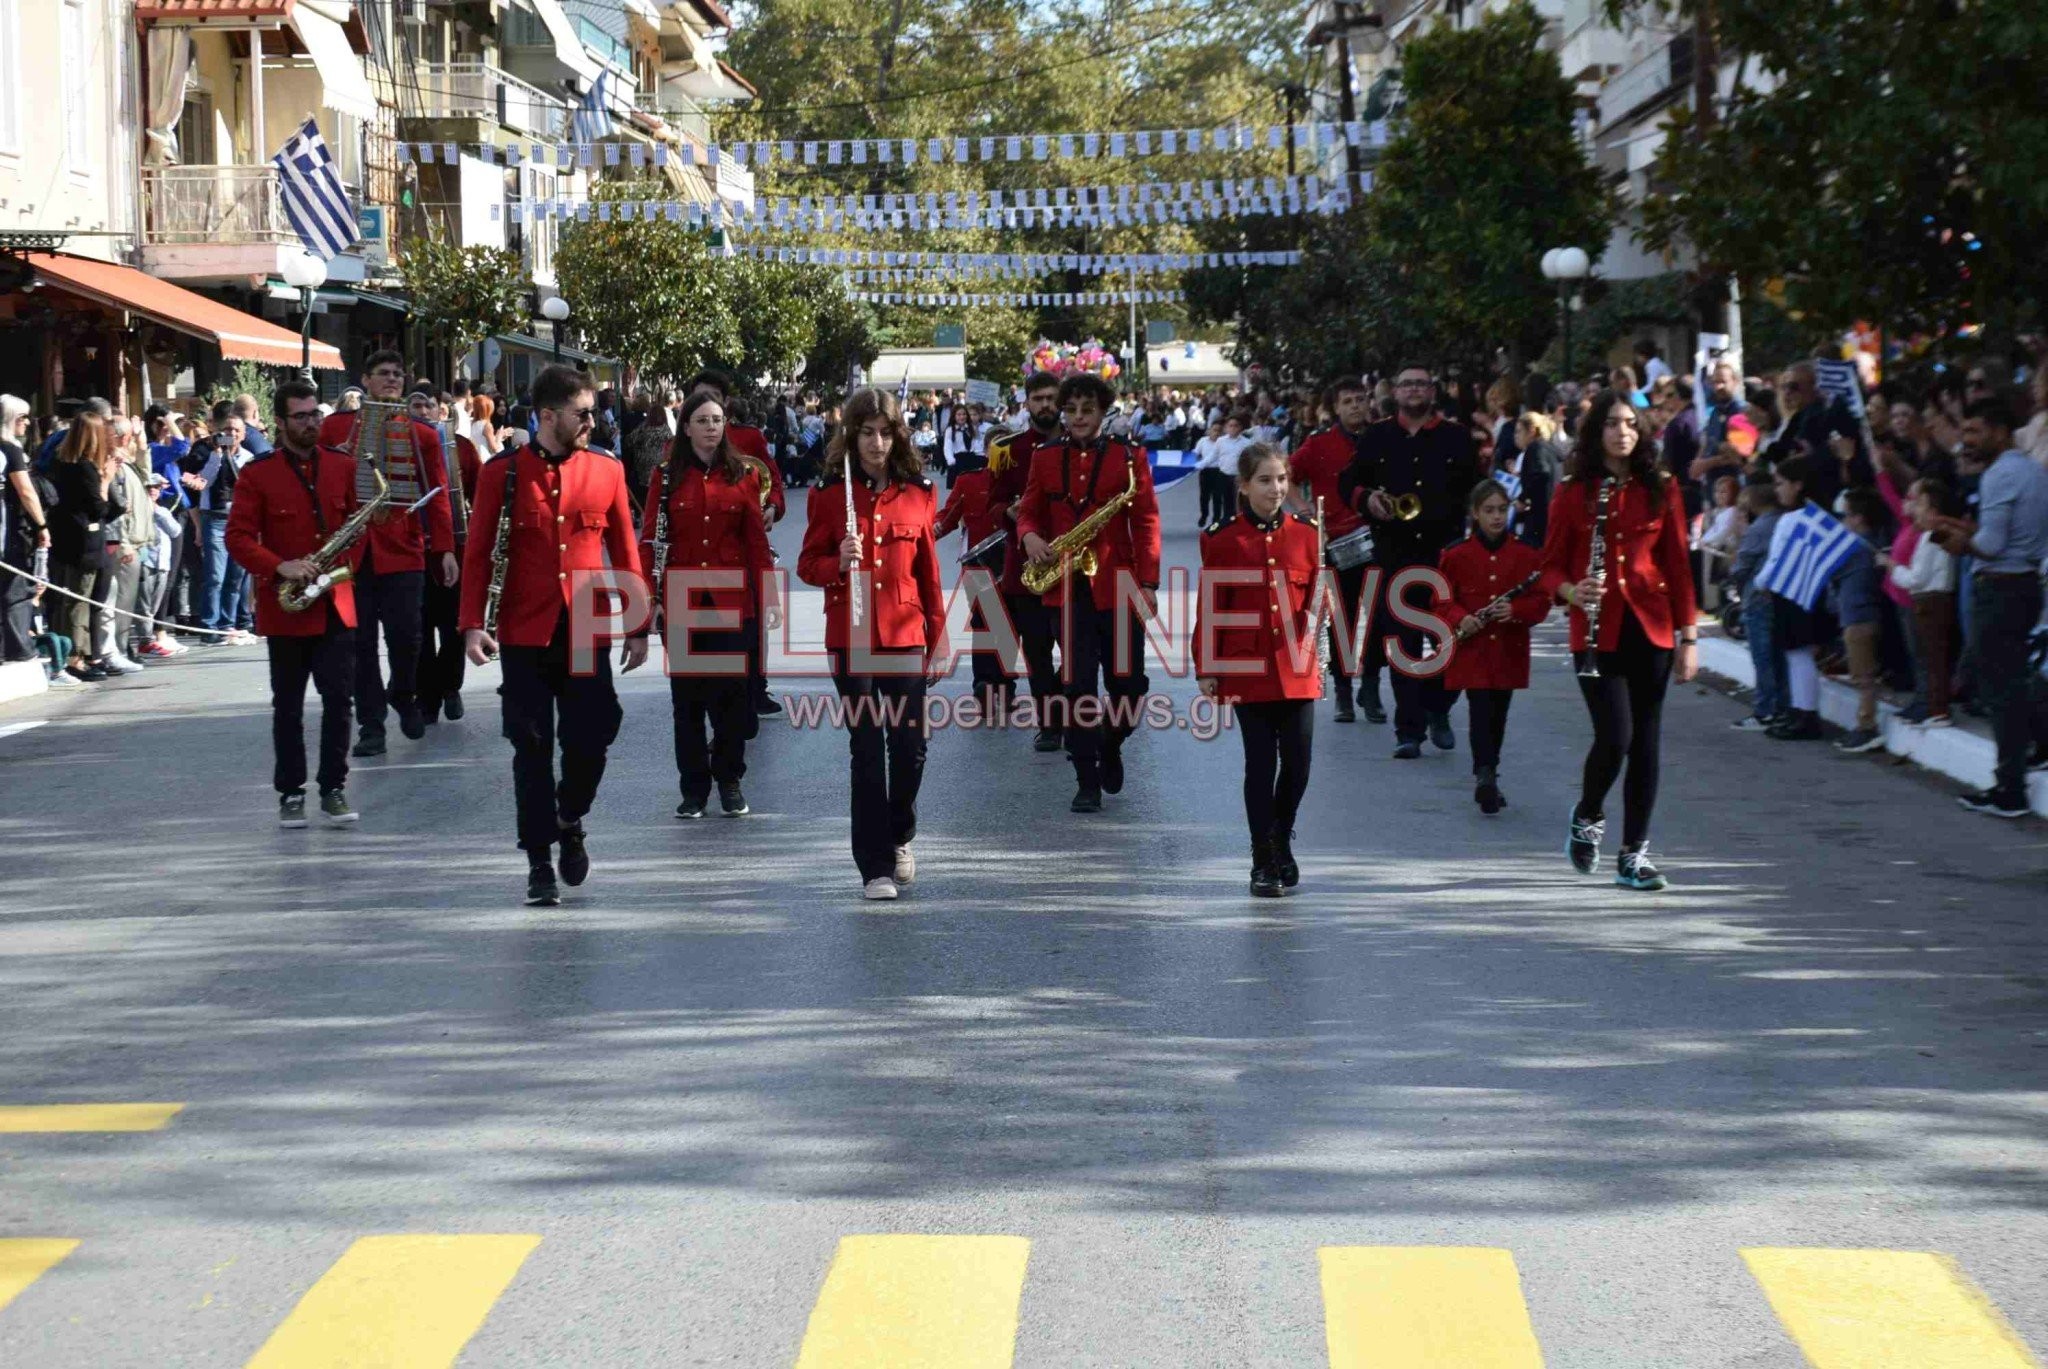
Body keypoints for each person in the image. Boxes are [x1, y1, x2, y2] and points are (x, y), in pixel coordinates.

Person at [460, 364, 648, 907]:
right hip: (524, 628)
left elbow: (625, 550)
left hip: (588, 623)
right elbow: (477, 554)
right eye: (582, 414)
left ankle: (569, 816)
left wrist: (637, 625)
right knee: (531, 745)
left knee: (596, 731)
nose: (593, 421)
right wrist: (473, 623)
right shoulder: (503, 473)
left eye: (593, 412)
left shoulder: (606, 471)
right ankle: (539, 859)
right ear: (547, 416)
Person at [1541, 389, 1698, 891]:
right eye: (1612, 423)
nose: (1622, 432)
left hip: (1651, 626)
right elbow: (1549, 566)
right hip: (1595, 630)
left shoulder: (1663, 486)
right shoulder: (1572, 490)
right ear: (1596, 432)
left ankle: (1634, 854)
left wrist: (1689, 635)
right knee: (1616, 737)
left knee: (1646, 743)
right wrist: (1571, 590)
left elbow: (1677, 562)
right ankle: (1587, 814)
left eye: (1630, 423)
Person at [796, 387, 946, 901]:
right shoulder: (826, 493)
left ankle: (900, 832)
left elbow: (928, 571)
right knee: (866, 750)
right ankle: (874, 867)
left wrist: (940, 638)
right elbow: (806, 564)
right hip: (851, 632)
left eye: (885, 433)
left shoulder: (919, 491)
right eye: (867, 433)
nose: (877, 443)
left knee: (911, 748)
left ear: (897, 435)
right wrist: (836, 561)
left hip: (905, 631)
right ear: (851, 436)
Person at [1017, 372, 1164, 813]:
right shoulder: (1044, 457)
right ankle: (1085, 777)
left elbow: (1147, 522)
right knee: (1077, 685)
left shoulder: (1130, 457)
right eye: (1071, 410)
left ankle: (1109, 742)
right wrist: (1029, 538)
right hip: (1067, 587)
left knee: (1130, 688)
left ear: (1103, 412)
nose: (1078, 418)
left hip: (1118, 585)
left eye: (1088, 410)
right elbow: (1028, 512)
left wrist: (1151, 582)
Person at [225, 381, 364, 827]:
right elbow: (237, 538)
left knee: (340, 700)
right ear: (280, 423)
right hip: (286, 609)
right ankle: (290, 791)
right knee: (288, 706)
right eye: (301, 417)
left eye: (314, 415)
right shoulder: (257, 473)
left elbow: (358, 529)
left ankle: (334, 787)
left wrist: (342, 569)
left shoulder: (343, 466)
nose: (311, 424)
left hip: (335, 602)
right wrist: (279, 566)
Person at [641, 390, 779, 820]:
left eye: (717, 419)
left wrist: (769, 596)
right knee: (687, 702)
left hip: (732, 600)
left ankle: (730, 779)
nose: (711, 427)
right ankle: (694, 789)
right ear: (685, 427)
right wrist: (652, 598)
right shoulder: (665, 478)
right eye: (702, 420)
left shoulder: (744, 476)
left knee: (733, 700)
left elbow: (757, 543)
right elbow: (650, 541)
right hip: (681, 600)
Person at [1195, 443, 1320, 896]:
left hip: (1297, 663)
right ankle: (1262, 858)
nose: (1276, 488)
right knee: (1260, 764)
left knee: (1300, 764)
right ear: (1244, 486)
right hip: (1246, 667)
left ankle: (1280, 837)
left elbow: (1317, 602)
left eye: (1282, 479)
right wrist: (1207, 665)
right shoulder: (1223, 538)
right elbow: (1211, 605)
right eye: (1265, 481)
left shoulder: (1308, 533)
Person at [319, 351, 457, 757]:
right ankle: (372, 724)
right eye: (384, 374)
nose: (392, 380)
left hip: (404, 549)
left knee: (408, 639)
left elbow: (439, 497)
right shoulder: (335, 428)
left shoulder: (424, 435)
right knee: (358, 644)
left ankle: (403, 693)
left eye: (398, 374)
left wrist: (446, 548)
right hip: (353, 553)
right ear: (366, 380)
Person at [1341, 362, 1480, 759]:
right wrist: (1367, 499)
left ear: (1432, 391)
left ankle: (1438, 709)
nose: (1415, 390)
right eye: (1407, 385)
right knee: (1403, 644)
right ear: (1395, 393)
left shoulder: (1457, 438)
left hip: (1445, 556)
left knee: (1450, 639)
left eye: (1422, 383)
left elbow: (1478, 489)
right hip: (1396, 555)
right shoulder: (1377, 436)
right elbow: (1347, 483)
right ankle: (1409, 730)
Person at [1928, 398, 2048, 817]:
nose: (1967, 441)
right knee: (2011, 679)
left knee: (2002, 689)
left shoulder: (2000, 475)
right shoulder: (2033, 469)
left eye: (1975, 432)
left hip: (2000, 590)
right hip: (2024, 586)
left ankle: (2009, 789)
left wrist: (1955, 541)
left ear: (2000, 430)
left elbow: (1992, 547)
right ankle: (2033, 751)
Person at [1437, 480, 1550, 814]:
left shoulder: (1526, 554)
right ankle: (1485, 774)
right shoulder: (1455, 554)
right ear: (1475, 513)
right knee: (1479, 708)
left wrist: (1515, 610)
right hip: (1473, 649)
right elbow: (1440, 598)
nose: (1497, 517)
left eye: (1502, 509)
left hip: (1507, 648)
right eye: (1489, 510)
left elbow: (1541, 602)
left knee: (1498, 712)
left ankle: (1489, 770)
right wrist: (1460, 618)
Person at [687, 369, 787, 718]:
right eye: (697, 398)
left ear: (726, 403)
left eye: (713, 397)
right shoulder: (678, 447)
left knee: (753, 621)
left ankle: (755, 688)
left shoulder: (749, 438)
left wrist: (773, 506)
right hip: (697, 563)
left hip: (744, 550)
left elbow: (773, 479)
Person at [1287, 378, 1380, 724]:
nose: (1356, 406)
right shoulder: (1319, 444)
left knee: (1375, 618)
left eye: (1361, 399)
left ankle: (1370, 688)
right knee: (1340, 619)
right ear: (1335, 409)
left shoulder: (1381, 437)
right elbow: (1287, 474)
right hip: (1335, 543)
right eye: (1348, 401)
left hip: (1379, 540)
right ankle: (1343, 690)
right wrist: (1304, 510)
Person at [987, 371, 1065, 751]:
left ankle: (1066, 705)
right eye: (1039, 399)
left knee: (1082, 650)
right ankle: (1050, 724)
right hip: (1026, 568)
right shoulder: (1009, 450)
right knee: (1037, 652)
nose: (1046, 405)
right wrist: (1013, 514)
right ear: (1027, 403)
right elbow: (993, 504)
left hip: (1073, 567)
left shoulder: (1080, 443)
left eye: (1052, 398)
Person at [933, 439, 1012, 718]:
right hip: (979, 567)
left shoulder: (1026, 480)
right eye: (997, 447)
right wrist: (927, 533)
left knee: (1010, 626)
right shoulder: (969, 482)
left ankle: (1005, 686)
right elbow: (947, 517)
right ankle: (984, 684)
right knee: (984, 624)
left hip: (1016, 567)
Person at [418, 395, 482, 724]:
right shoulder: (401, 446)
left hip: (456, 552)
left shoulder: (461, 448)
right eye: (416, 407)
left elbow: (480, 495)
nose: (424, 413)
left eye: (431, 407)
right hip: (415, 553)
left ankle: (450, 688)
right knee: (420, 630)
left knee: (453, 627)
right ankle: (427, 698)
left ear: (444, 413)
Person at [1882, 477, 1958, 728]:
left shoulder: (1932, 537)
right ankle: (1925, 703)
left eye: (1922, 505)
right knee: (1926, 656)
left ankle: (1934, 708)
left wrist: (1893, 568)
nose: (1916, 510)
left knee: (1930, 657)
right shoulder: (1933, 535)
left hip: (1930, 601)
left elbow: (1917, 577)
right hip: (1931, 600)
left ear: (1935, 512)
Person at [1829, 488, 1890, 753]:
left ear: (1858, 518)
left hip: (1859, 617)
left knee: (1863, 676)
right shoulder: (1868, 545)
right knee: (1862, 673)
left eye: (1846, 516)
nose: (1842, 521)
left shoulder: (1857, 548)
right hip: (1861, 615)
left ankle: (1867, 727)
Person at [0, 394, 48, 664]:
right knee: (15, 591)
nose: (28, 423)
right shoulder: (11, 450)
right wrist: (42, 524)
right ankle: (20, 649)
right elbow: (26, 491)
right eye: (23, 418)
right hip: (9, 532)